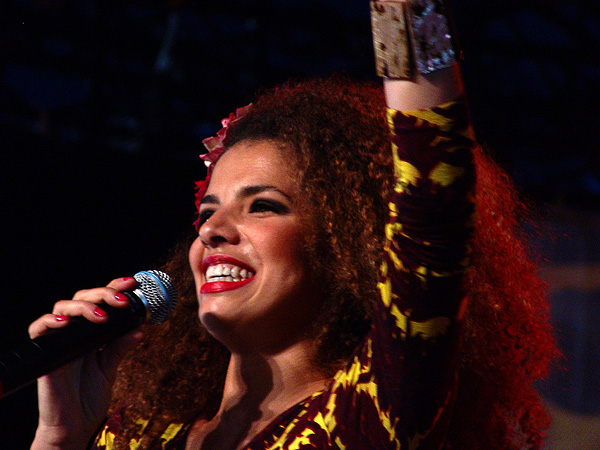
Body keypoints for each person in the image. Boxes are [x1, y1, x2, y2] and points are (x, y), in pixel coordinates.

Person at [28, 1, 558, 449]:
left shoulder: (367, 418)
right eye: (207, 212)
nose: (213, 231)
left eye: (262, 206)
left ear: (350, 243)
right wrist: (59, 437)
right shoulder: (139, 432)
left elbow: (434, 209)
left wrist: (406, 10)